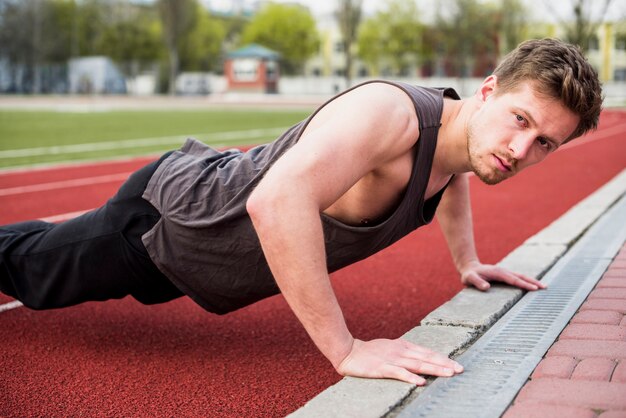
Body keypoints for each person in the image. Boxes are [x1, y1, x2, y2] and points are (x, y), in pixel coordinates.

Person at [0, 38, 603, 385]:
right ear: (490, 90)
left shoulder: (463, 139)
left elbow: (455, 175)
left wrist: (468, 260)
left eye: (545, 143)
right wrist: (345, 350)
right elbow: (276, 199)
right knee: (31, 271)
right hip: (167, 222)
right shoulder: (389, 114)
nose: (520, 151)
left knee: (46, 248)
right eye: (521, 121)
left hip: (194, 262)